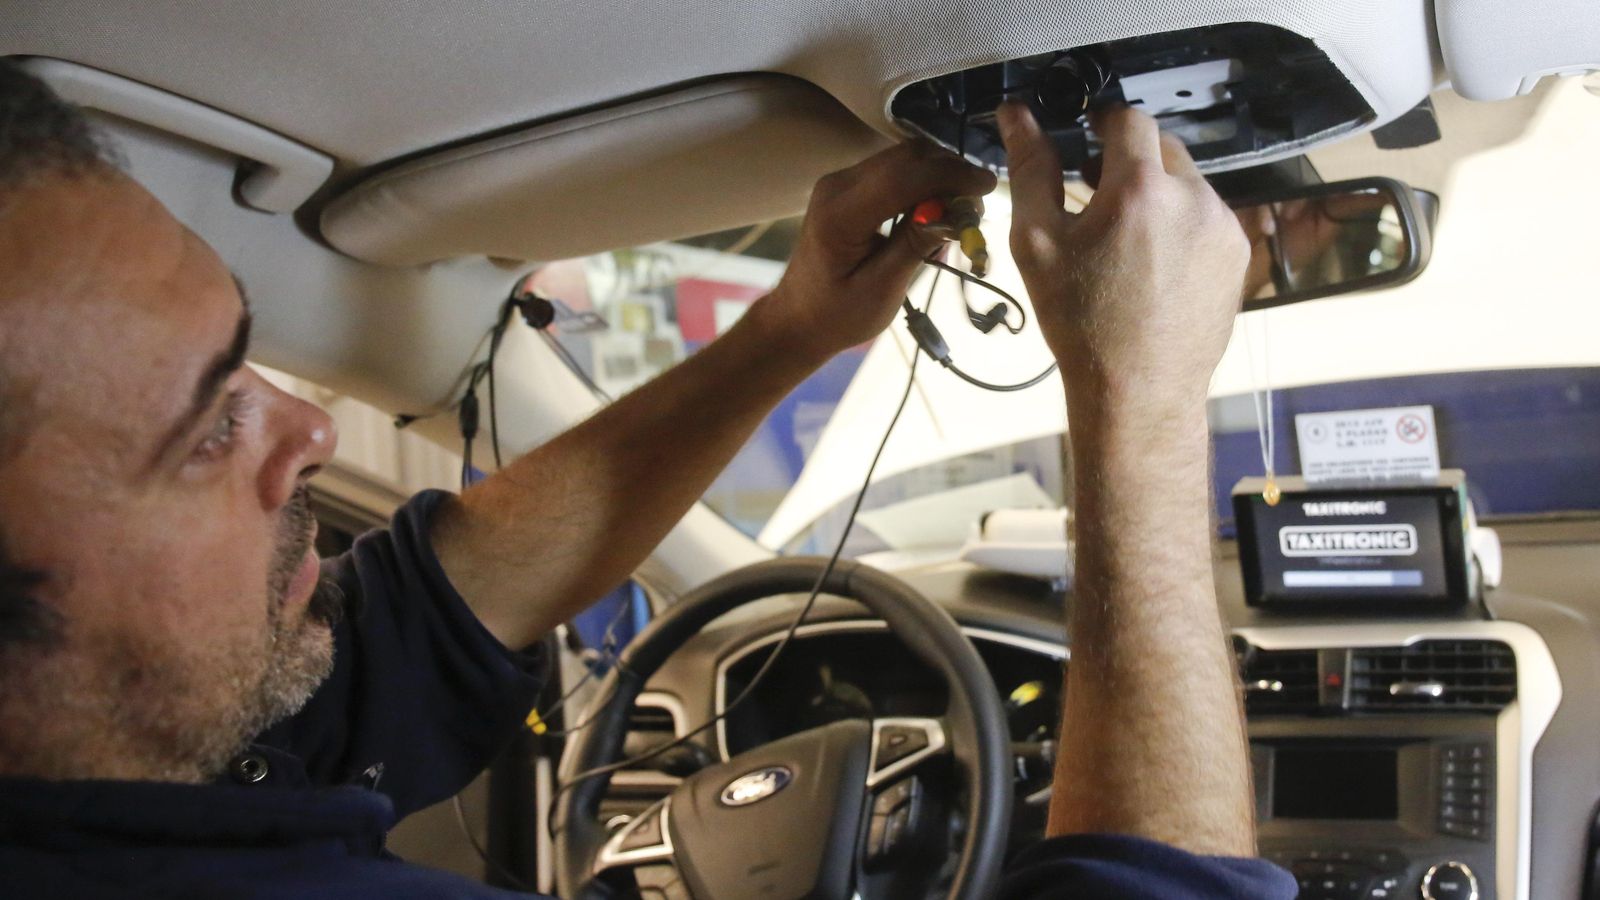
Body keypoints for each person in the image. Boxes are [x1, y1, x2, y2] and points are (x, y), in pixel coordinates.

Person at [0, 60, 1293, 898]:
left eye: (253, 358)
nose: (310, 435)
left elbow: (405, 631)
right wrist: (1141, 405)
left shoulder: (98, 760)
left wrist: (794, 329)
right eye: (209, 428)